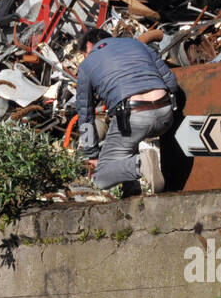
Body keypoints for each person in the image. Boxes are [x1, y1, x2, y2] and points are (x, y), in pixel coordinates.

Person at [76, 26, 178, 193]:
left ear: (89, 45)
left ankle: (141, 165)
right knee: (126, 145)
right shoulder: (138, 45)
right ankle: (132, 192)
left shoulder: (86, 65)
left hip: (134, 117)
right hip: (165, 112)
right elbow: (171, 82)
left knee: (101, 176)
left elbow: (85, 114)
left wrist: (91, 153)